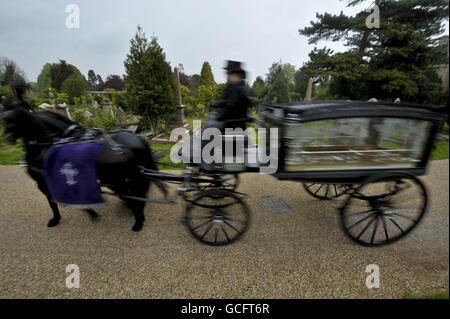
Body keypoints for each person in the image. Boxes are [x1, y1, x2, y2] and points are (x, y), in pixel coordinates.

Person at [205, 60, 252, 132]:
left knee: (209, 125)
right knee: (211, 117)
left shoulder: (238, 89)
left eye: (229, 74)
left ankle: (202, 141)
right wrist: (216, 103)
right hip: (229, 118)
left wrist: (218, 117)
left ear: (236, 76)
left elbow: (231, 107)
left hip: (232, 123)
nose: (227, 76)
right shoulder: (232, 86)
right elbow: (225, 100)